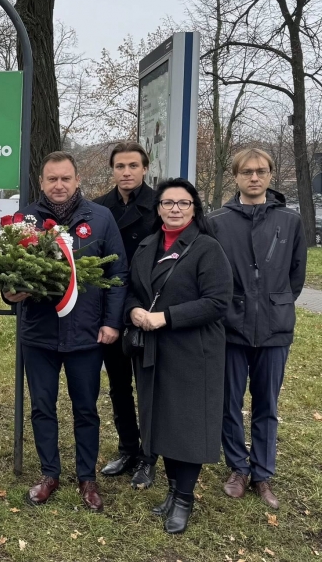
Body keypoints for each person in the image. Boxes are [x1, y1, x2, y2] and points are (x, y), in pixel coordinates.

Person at [2, 151, 127, 512]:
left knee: (85, 408)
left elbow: (118, 273)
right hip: (38, 333)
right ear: (41, 182)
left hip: (86, 334)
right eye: (52, 179)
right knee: (42, 407)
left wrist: (111, 322)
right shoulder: (24, 220)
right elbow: (8, 270)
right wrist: (9, 293)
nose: (59, 185)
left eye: (65, 178)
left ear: (77, 180)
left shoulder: (100, 218)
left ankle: (87, 478)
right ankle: (49, 474)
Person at [126, 178, 233, 534]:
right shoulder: (147, 246)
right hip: (153, 349)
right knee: (162, 422)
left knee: (187, 425)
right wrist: (133, 311)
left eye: (183, 203)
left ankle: (184, 499)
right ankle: (173, 492)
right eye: (168, 203)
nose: (175, 209)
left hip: (193, 350)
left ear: (194, 208)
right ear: (158, 209)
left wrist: (166, 317)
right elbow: (133, 289)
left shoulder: (206, 248)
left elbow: (217, 302)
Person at [208, 149, 305, 510]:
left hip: (274, 327)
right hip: (230, 326)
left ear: (269, 174)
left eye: (260, 171)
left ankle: (263, 473)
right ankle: (238, 467)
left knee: (267, 403)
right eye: (247, 172)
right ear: (235, 176)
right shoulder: (217, 221)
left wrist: (274, 302)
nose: (254, 177)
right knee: (229, 402)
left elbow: (296, 275)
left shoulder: (289, 220)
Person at [92, 141, 159, 488]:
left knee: (148, 388)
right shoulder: (100, 208)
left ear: (145, 168)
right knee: (119, 385)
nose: (127, 172)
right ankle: (128, 448)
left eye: (133, 166)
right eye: (120, 166)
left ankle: (150, 456)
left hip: (148, 308)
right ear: (113, 170)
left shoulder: (160, 206)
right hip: (111, 309)